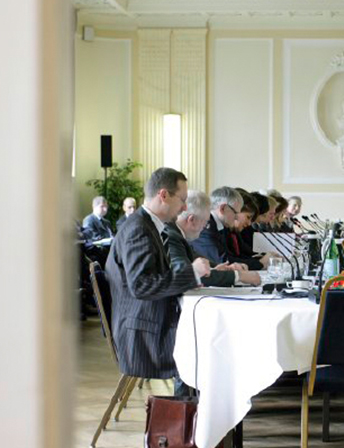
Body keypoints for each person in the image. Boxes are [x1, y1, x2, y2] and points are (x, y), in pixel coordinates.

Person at [105, 168, 208, 396]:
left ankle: (192, 412)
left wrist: (188, 278)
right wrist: (191, 274)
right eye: (182, 200)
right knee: (205, 348)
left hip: (147, 323)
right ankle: (186, 413)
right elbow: (142, 286)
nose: (184, 207)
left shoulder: (147, 225)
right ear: (164, 195)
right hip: (142, 336)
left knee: (207, 340)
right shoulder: (138, 229)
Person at [173, 191, 261, 287]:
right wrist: (238, 276)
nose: (205, 227)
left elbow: (198, 267)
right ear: (191, 220)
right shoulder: (171, 238)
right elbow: (186, 276)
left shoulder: (179, 237)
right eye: (205, 223)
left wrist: (216, 269)